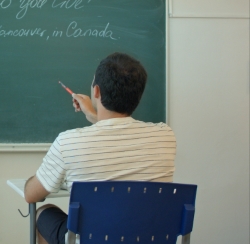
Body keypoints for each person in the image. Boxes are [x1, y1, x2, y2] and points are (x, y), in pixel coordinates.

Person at [24, 52, 176, 244]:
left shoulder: (68, 143)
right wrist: (95, 116)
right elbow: (121, 133)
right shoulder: (165, 136)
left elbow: (31, 195)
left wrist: (98, 117)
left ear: (96, 91)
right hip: (146, 239)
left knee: (43, 213)